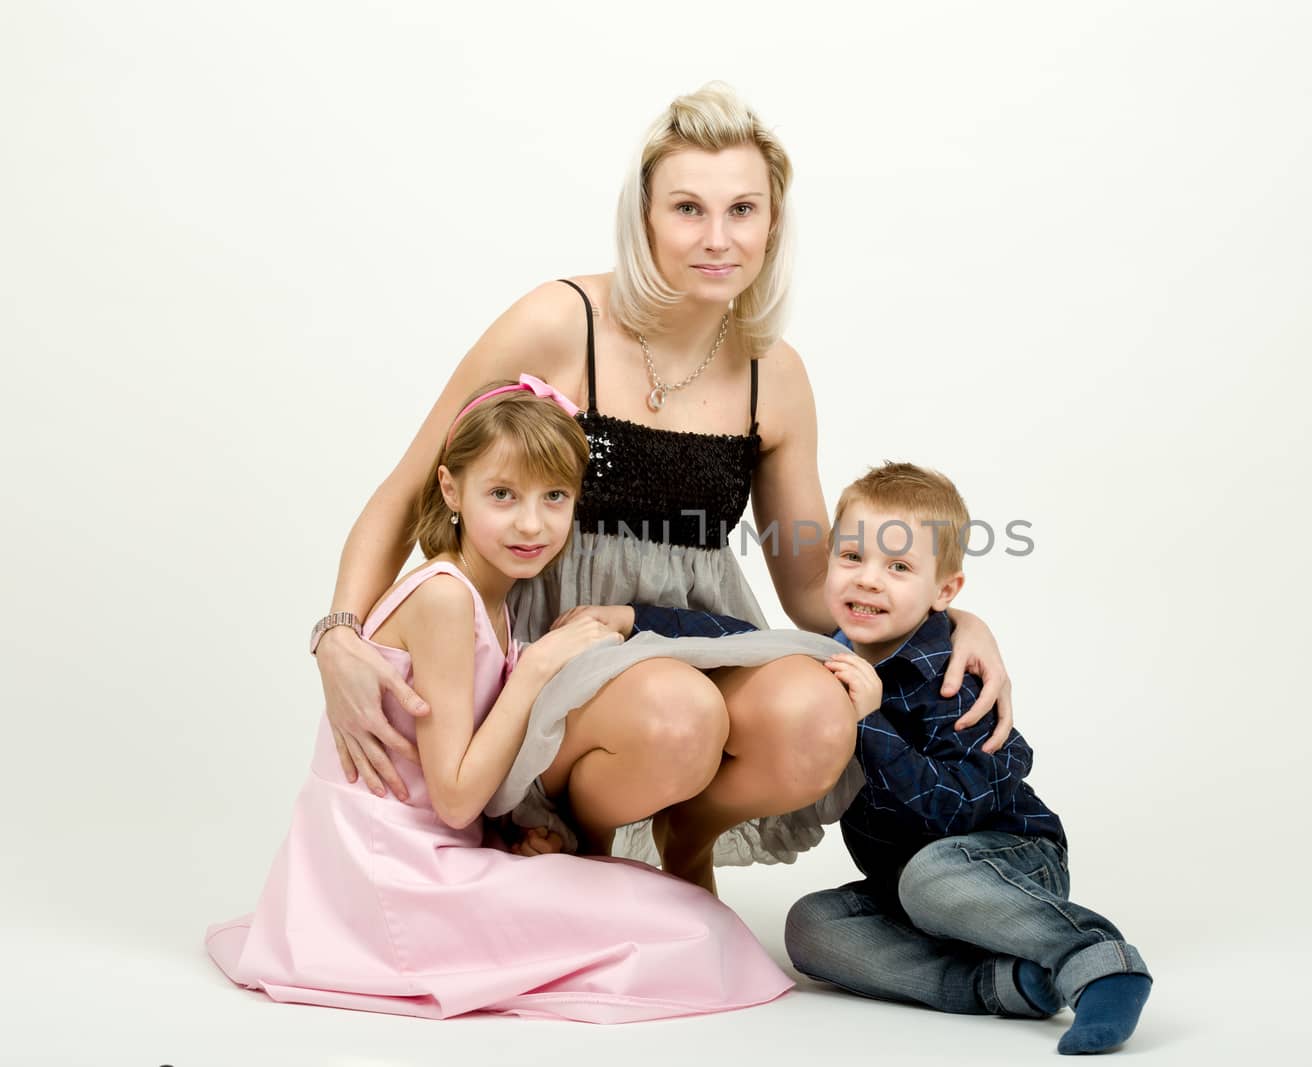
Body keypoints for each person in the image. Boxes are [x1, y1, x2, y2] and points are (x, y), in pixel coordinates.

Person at [308, 83, 1018, 894]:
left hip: (702, 639)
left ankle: (693, 832)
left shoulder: (774, 376)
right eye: (688, 209)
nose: (718, 238)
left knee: (821, 714)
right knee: (679, 711)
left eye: (743, 211)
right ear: (644, 216)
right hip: (566, 646)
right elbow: (408, 489)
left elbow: (812, 588)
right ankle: (578, 840)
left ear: (772, 222)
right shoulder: (559, 321)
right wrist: (338, 634)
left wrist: (952, 618)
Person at [206, 378, 793, 1021]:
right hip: (394, 878)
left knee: (682, 917)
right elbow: (454, 795)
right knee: (691, 930)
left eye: (554, 498)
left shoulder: (491, 595)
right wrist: (536, 667)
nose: (531, 523)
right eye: (502, 496)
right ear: (451, 490)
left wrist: (512, 834)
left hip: (421, 858)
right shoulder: (445, 598)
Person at [778, 463, 1155, 1055]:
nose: (869, 581)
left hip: (1006, 860)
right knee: (811, 927)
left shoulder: (955, 678)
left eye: (899, 567)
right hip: (909, 887)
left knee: (933, 877)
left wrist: (870, 724)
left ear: (945, 591)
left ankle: (1094, 958)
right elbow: (733, 636)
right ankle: (1005, 984)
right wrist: (634, 621)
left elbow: (950, 814)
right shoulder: (828, 659)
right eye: (852, 557)